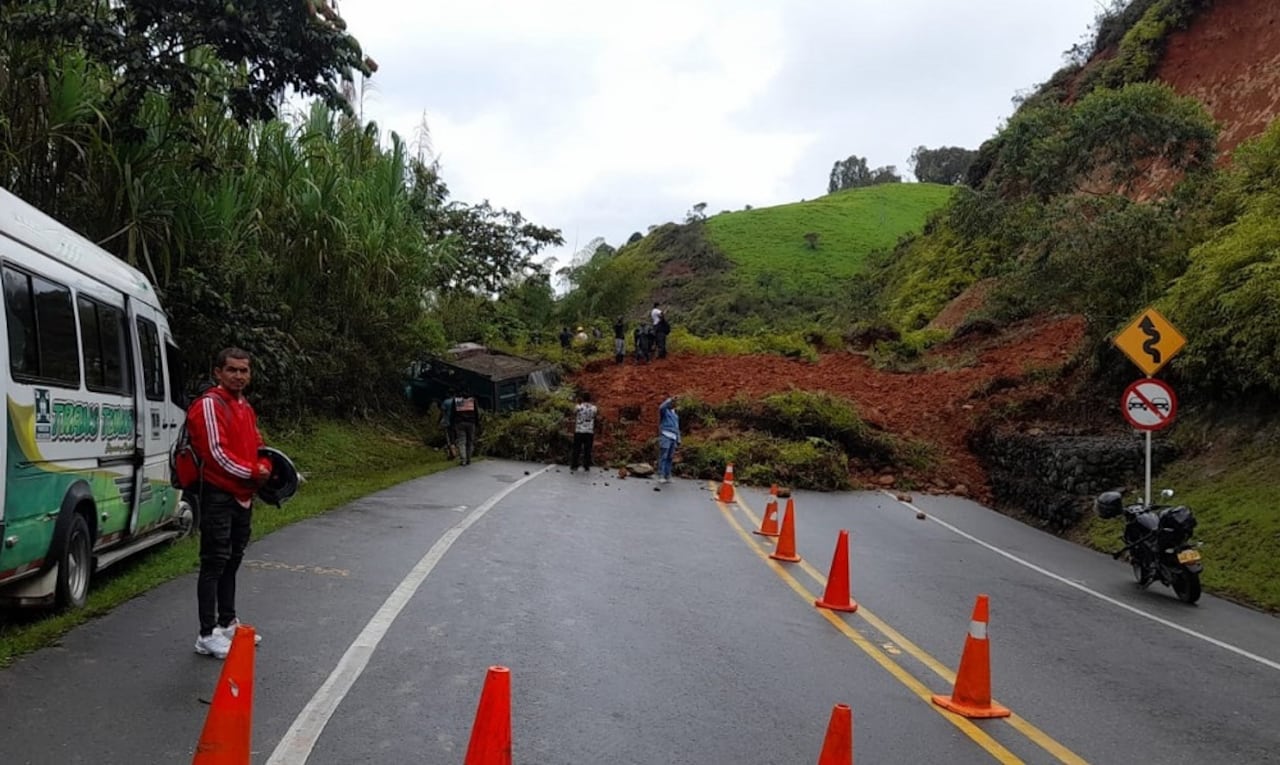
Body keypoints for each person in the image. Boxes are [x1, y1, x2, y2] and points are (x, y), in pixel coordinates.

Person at [187, 348, 273, 660]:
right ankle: (206, 633)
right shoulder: (209, 405)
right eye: (232, 370)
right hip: (218, 493)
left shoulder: (244, 406)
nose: (238, 376)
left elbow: (258, 443)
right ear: (218, 372)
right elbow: (216, 454)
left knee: (233, 557)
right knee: (214, 560)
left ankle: (227, 621)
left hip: (243, 495)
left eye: (244, 371)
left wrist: (266, 466)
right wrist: (254, 472)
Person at [569, 391, 598, 472]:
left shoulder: (578, 407)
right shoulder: (594, 408)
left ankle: (574, 465)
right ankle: (586, 465)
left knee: (576, 449)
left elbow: (573, 413)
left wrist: (578, 403)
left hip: (579, 430)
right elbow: (595, 415)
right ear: (590, 399)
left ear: (582, 398)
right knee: (587, 449)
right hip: (589, 431)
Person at [451, 392, 482, 465]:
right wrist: (477, 423)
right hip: (471, 423)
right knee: (470, 441)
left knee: (462, 441)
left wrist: (452, 423)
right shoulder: (472, 400)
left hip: (460, 423)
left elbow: (453, 413)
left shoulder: (457, 400)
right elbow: (476, 412)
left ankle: (463, 459)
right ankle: (469, 459)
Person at [657, 395, 680, 484]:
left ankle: (667, 475)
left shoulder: (675, 415)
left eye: (675, 403)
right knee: (664, 456)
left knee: (670, 457)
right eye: (672, 403)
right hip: (665, 435)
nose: (674, 404)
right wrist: (670, 400)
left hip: (673, 437)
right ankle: (661, 475)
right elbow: (661, 407)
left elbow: (677, 428)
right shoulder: (665, 412)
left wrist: (678, 439)